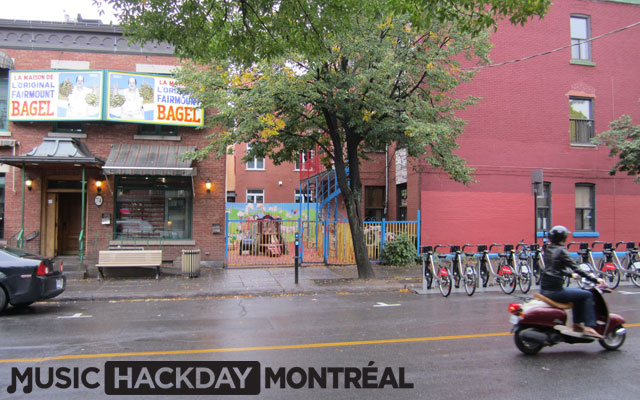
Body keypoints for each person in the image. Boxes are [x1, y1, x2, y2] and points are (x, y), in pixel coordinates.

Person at [540, 225, 605, 338]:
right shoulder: (561, 250)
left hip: (545, 289)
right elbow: (575, 267)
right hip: (556, 290)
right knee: (587, 295)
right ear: (563, 238)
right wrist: (595, 279)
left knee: (578, 294)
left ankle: (577, 324)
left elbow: (554, 269)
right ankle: (589, 327)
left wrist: (570, 275)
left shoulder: (548, 249)